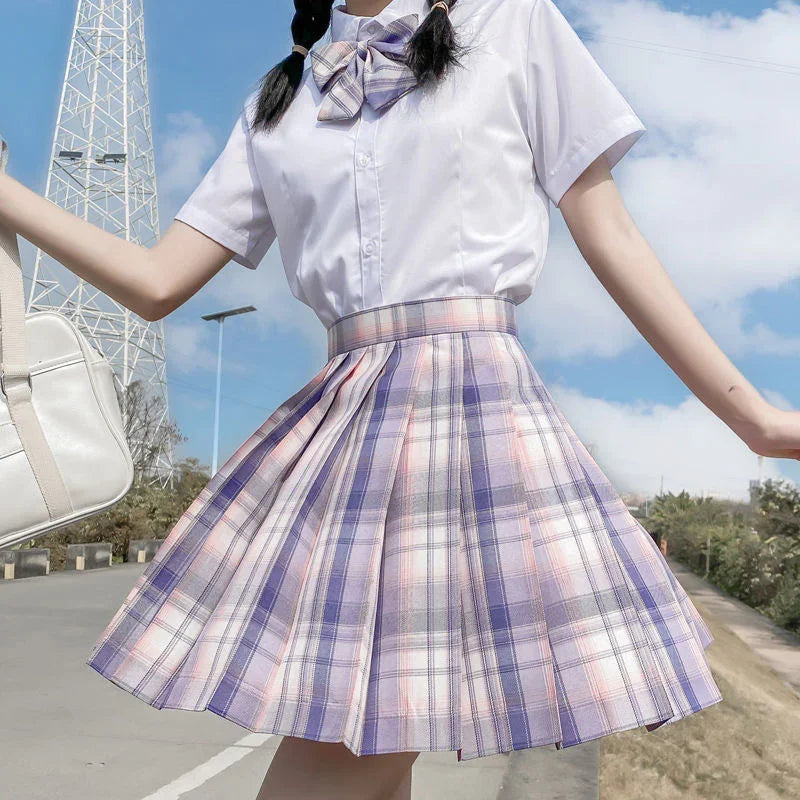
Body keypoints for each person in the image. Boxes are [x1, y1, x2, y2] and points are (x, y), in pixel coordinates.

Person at [2, 1, 799, 798]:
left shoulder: (512, 21)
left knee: (355, 746)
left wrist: (754, 422)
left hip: (474, 413)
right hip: (350, 423)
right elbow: (155, 282)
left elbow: (608, 229)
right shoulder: (282, 96)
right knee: (363, 740)